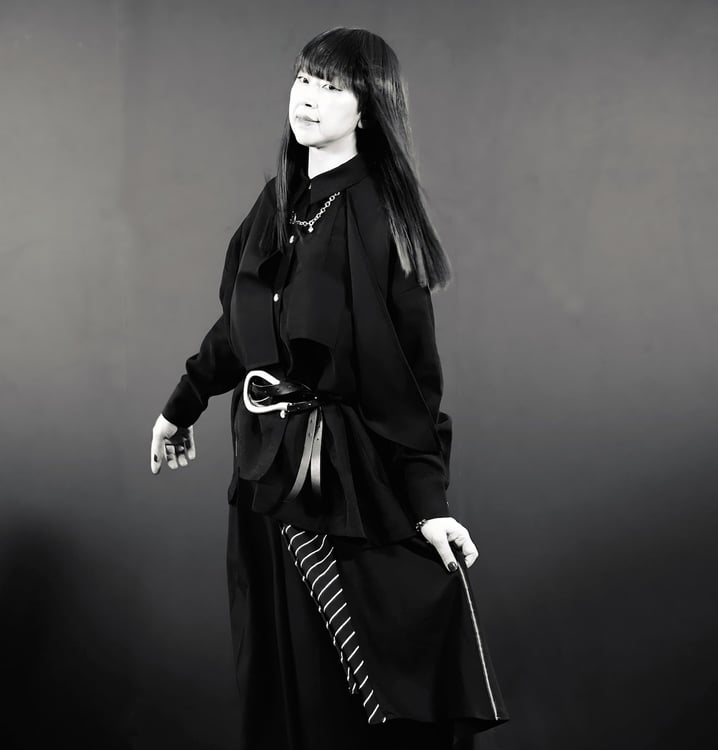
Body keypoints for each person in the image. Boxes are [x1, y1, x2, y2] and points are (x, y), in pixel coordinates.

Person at [150, 27, 508, 750]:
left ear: (367, 109)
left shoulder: (380, 220)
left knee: (342, 685)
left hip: (335, 484)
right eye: (304, 79)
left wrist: (430, 506)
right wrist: (180, 406)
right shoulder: (275, 202)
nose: (308, 98)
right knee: (275, 675)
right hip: (263, 477)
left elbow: (413, 383)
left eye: (332, 86)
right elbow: (239, 328)